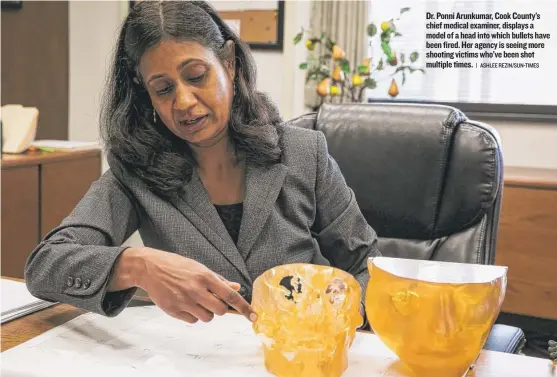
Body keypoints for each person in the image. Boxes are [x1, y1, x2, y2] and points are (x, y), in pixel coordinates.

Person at [24, 0, 381, 325]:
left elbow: (367, 267)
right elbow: (44, 266)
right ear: (145, 93)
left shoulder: (305, 153)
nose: (183, 101)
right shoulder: (136, 172)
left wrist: (339, 315)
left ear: (228, 63)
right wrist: (137, 265)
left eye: (196, 76)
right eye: (163, 89)